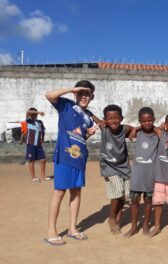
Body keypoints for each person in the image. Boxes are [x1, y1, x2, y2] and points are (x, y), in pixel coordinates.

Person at [44, 80, 99, 246]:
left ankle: (72, 229)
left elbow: (81, 137)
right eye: (80, 93)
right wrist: (71, 89)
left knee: (76, 192)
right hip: (64, 157)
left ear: (91, 97)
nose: (83, 96)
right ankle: (51, 232)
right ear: (75, 94)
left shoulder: (88, 117)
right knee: (59, 192)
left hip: (80, 157)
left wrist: (89, 133)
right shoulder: (65, 105)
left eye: (87, 94)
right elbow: (49, 95)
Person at [99, 104, 135, 235]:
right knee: (118, 192)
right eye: (110, 118)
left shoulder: (124, 129)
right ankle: (111, 218)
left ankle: (118, 219)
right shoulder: (103, 128)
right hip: (109, 166)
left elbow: (132, 128)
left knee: (125, 195)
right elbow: (92, 117)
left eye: (116, 118)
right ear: (105, 120)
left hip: (124, 166)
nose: (113, 120)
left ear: (121, 118)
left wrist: (133, 131)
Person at [124, 107, 159, 237]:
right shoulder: (136, 134)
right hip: (137, 175)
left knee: (148, 201)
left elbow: (162, 130)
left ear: (154, 120)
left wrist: (137, 127)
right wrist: (135, 128)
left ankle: (145, 224)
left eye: (150, 120)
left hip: (150, 174)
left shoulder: (157, 135)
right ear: (139, 121)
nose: (147, 123)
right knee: (135, 200)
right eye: (143, 121)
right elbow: (123, 127)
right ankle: (134, 227)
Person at [20, 108, 48, 182]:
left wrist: (43, 138)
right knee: (32, 160)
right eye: (33, 113)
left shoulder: (40, 122)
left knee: (43, 160)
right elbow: (27, 111)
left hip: (38, 144)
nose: (34, 114)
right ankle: (33, 177)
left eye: (35, 113)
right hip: (31, 143)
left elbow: (43, 130)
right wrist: (38, 112)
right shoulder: (29, 121)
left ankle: (43, 176)